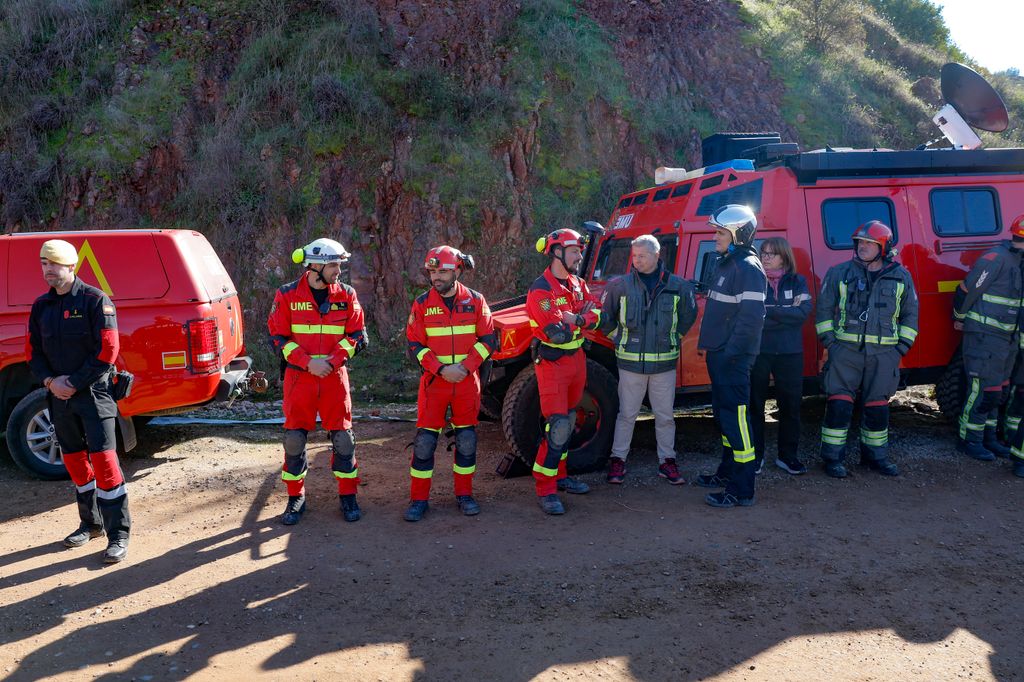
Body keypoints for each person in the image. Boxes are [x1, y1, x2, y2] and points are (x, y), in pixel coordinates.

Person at [27, 239, 130, 563]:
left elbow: (107, 351)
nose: (48, 270)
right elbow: (33, 353)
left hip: (93, 394)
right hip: (58, 396)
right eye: (44, 264)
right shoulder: (41, 307)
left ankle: (118, 535)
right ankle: (91, 524)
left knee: (104, 462)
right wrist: (50, 382)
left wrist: (73, 382)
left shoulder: (94, 300)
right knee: (73, 461)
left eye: (54, 264)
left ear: (71, 266)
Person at [267, 238, 367, 525]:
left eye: (339, 265)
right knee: (295, 440)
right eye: (333, 265)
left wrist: (331, 362)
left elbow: (358, 336)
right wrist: (308, 362)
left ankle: (348, 497)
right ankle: (295, 499)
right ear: (315, 265)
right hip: (300, 379)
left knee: (343, 440)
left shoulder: (347, 294)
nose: (338, 271)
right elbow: (278, 338)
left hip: (334, 378)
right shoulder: (286, 295)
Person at [815, 221, 918, 478]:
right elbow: (824, 310)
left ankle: (875, 457)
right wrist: (830, 343)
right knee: (839, 405)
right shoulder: (839, 272)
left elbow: (910, 315)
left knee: (877, 407)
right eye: (859, 242)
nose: (862, 247)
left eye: (869, 243)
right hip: (845, 352)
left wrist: (900, 349)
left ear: (883, 247)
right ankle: (832, 459)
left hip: (884, 355)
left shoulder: (901, 276)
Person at [404, 245, 497, 521]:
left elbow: (488, 340)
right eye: (432, 271)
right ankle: (418, 500)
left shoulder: (476, 300)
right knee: (424, 443)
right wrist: (442, 369)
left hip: (467, 383)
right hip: (435, 383)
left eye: (443, 271)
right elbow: (414, 346)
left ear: (458, 269)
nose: (436, 277)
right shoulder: (421, 304)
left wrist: (465, 368)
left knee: (466, 441)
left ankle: (465, 495)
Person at [599, 234, 696, 484]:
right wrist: (619, 338)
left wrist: (675, 337)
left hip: (664, 365)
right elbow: (604, 319)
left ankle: (667, 462)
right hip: (630, 364)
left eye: (642, 256)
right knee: (627, 415)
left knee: (665, 416)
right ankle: (618, 460)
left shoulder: (679, 286)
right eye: (635, 256)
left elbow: (688, 316)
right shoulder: (619, 286)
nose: (637, 261)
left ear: (656, 255)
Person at [693, 205, 767, 508]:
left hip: (732, 360)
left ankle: (742, 488)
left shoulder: (748, 267)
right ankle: (727, 472)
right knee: (725, 418)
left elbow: (751, 320)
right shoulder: (728, 263)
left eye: (720, 232)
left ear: (738, 234)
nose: (715, 238)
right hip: (721, 356)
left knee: (737, 421)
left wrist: (732, 355)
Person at [526, 228, 603, 515]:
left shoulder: (578, 284)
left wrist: (578, 318)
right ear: (556, 252)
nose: (579, 256)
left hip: (577, 360)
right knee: (557, 426)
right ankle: (545, 490)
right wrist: (581, 320)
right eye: (574, 251)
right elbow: (554, 333)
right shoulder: (540, 290)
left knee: (569, 422)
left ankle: (560, 476)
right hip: (554, 365)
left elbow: (600, 315)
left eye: (579, 251)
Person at [952, 214, 1024, 461]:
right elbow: (967, 289)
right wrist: (960, 317)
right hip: (985, 336)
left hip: (1008, 338)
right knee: (982, 390)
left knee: (998, 390)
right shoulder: (997, 259)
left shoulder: (1018, 260)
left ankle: (990, 439)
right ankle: (969, 440)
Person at [751, 237, 812, 476]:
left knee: (790, 406)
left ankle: (788, 457)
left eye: (771, 254)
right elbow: (752, 316)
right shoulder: (754, 280)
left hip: (790, 353)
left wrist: (770, 313)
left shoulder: (798, 281)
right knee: (754, 405)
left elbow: (802, 313)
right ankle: (756, 457)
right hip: (759, 352)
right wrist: (783, 313)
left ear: (783, 256)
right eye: (763, 253)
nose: (766, 257)